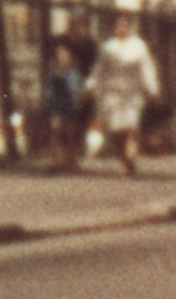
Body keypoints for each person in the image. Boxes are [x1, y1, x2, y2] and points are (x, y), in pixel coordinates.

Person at [91, 13, 161, 178]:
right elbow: (99, 70)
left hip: (132, 93)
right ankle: (124, 159)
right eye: (118, 25)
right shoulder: (107, 47)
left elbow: (147, 68)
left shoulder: (138, 46)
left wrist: (152, 88)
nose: (121, 28)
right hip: (113, 93)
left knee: (131, 127)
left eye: (124, 25)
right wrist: (91, 85)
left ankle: (129, 160)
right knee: (117, 131)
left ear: (129, 27)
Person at [40, 42, 90, 172]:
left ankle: (71, 160)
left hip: (70, 106)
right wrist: (48, 104)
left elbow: (78, 88)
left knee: (69, 134)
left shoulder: (73, 73)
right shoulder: (53, 73)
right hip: (57, 106)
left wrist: (79, 99)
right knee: (56, 132)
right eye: (60, 56)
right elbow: (48, 91)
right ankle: (56, 160)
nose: (63, 59)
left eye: (65, 56)